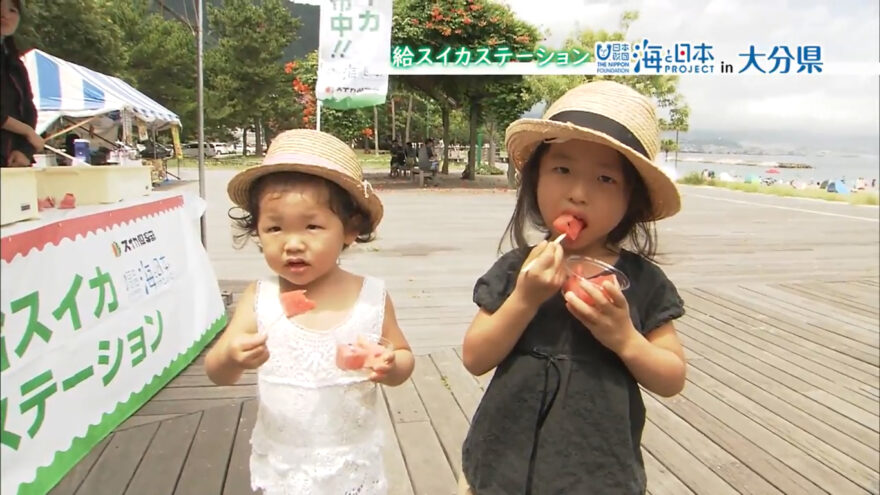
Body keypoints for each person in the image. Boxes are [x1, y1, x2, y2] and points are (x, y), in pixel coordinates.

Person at [458, 81, 687, 495]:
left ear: (630, 202)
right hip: (503, 468)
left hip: (597, 474)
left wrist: (624, 338)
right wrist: (524, 299)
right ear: (535, 180)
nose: (579, 194)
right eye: (562, 170)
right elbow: (475, 357)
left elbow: (672, 378)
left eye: (605, 179)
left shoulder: (643, 282)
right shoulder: (517, 270)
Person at [205, 129, 415, 494]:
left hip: (352, 466)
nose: (293, 243)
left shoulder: (370, 296)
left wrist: (389, 364)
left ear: (350, 230)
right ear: (256, 231)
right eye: (274, 228)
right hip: (285, 468)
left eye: (312, 226)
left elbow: (403, 358)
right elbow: (217, 372)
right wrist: (233, 355)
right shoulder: (261, 297)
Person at [1, 0, 41, 167]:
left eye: (12, 10)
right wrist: (27, 131)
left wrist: (25, 151)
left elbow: (28, 109)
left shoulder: (15, 64)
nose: (4, 15)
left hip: (11, 160)